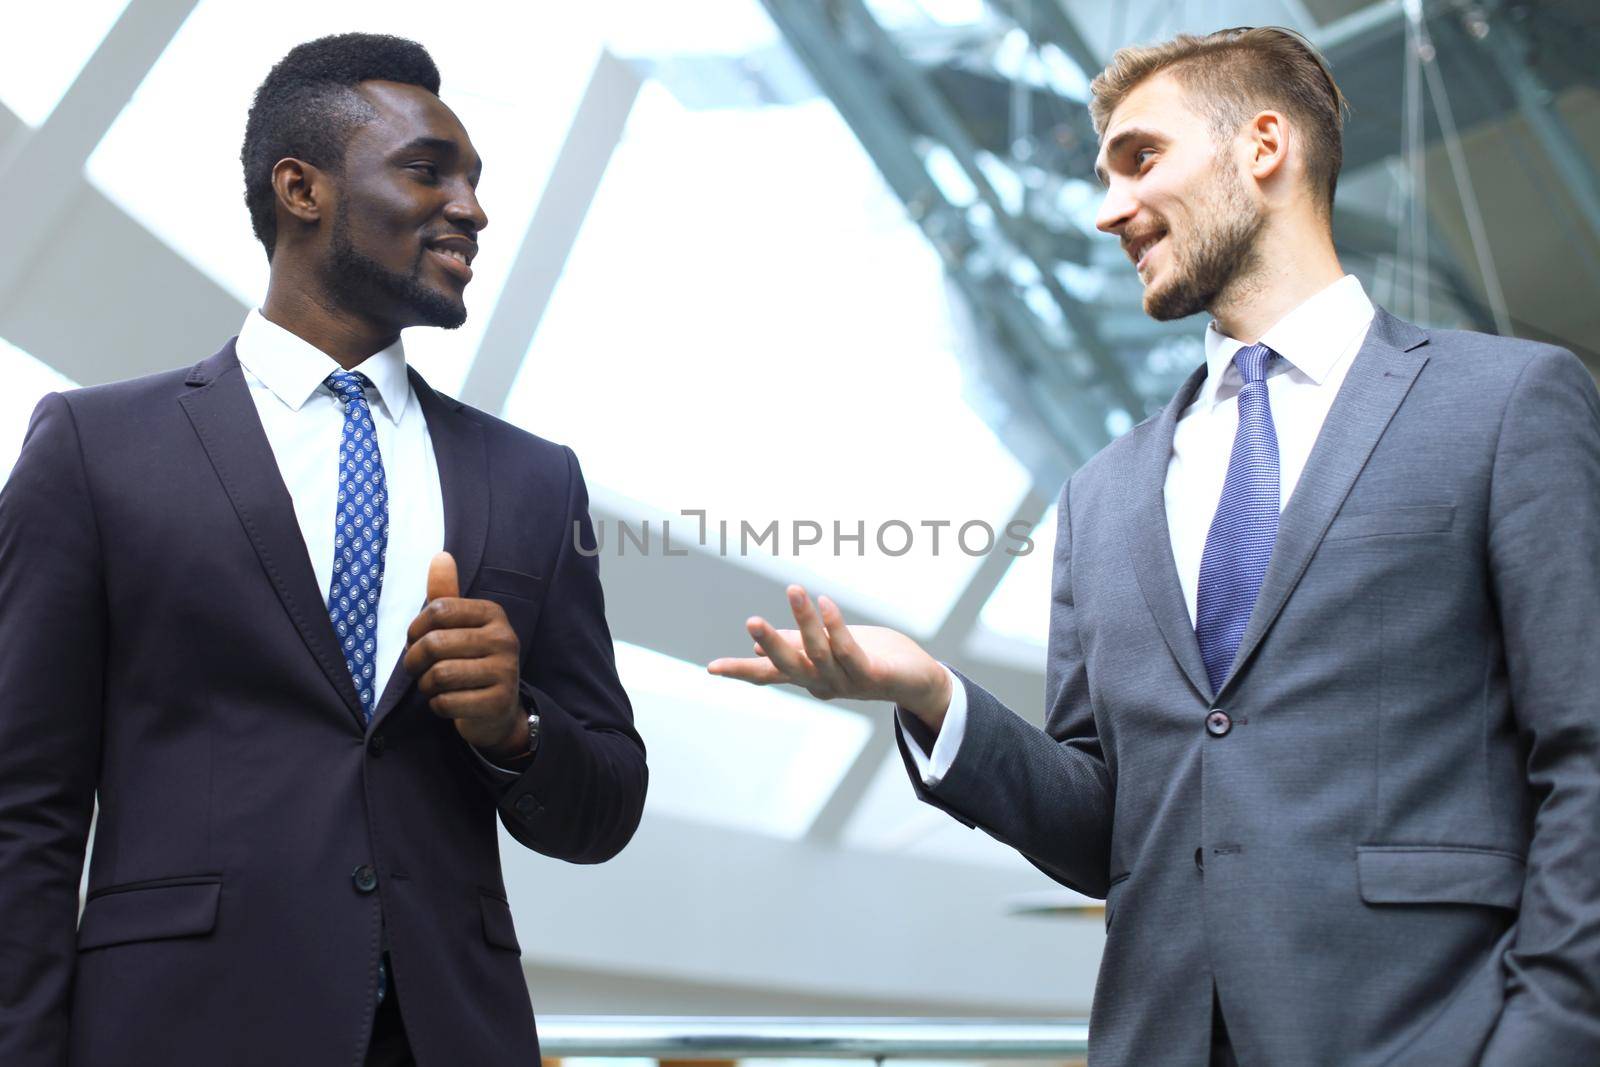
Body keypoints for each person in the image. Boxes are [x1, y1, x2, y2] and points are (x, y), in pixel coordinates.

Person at [711, 26, 1600, 1066]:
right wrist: (931, 695)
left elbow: (1583, 753)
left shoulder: (1504, 403)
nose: (1107, 209)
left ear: (1264, 145)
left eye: (1140, 157)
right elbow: (1106, 830)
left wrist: (1546, 1039)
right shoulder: (1103, 494)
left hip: (1427, 1036)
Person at [0, 32, 646, 1067]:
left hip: (450, 1037)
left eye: (476, 180)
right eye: (427, 170)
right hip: (177, 1032)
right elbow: (20, 810)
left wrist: (514, 723)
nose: (473, 208)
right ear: (300, 187)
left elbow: (606, 802)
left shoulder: (532, 479)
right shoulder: (95, 448)